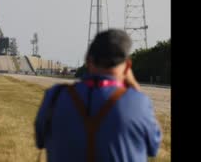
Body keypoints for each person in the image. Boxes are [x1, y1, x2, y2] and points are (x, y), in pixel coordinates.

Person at [35, 29, 161, 162]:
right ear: (128, 66)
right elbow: (154, 146)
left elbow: (40, 141)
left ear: (88, 61)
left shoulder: (55, 98)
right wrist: (135, 86)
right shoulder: (138, 103)